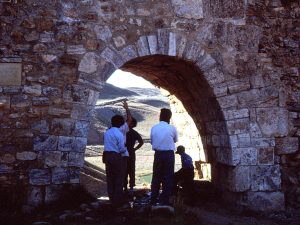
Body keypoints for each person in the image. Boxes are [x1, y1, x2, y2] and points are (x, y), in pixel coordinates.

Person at [150, 108, 178, 206]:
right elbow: (175, 140)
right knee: (168, 177)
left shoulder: (154, 127)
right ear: (169, 117)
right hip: (169, 155)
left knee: (156, 176)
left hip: (158, 154)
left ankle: (153, 199)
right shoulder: (172, 128)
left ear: (160, 116)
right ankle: (165, 200)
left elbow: (152, 141)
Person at [103, 114, 127, 208]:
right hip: (116, 156)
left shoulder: (107, 132)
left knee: (110, 178)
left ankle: (111, 199)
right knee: (118, 178)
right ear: (121, 124)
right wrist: (125, 149)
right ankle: (117, 201)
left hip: (107, 156)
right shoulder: (119, 133)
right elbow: (121, 148)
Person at [124, 118, 144, 195]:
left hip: (123, 153)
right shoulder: (134, 133)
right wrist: (135, 149)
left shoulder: (123, 132)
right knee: (131, 170)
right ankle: (131, 187)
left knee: (124, 170)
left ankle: (125, 187)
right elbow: (141, 142)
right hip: (131, 153)